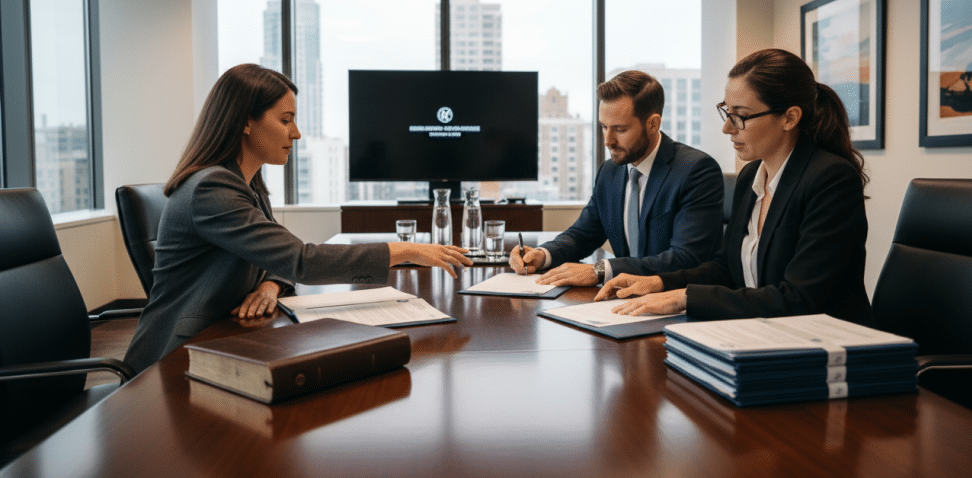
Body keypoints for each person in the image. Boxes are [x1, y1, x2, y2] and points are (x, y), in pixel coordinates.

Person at [123, 64, 471, 371]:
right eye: (285, 120)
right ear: (245, 121)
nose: (297, 133)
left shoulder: (247, 183)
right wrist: (404, 251)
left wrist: (271, 284)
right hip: (173, 359)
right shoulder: (211, 188)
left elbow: (273, 254)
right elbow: (299, 260)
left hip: (224, 337)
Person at [595, 49, 874, 325]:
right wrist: (658, 282)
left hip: (825, 347)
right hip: (761, 333)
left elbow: (800, 298)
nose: (727, 128)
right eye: (727, 112)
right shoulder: (751, 176)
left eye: (740, 115)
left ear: (790, 117)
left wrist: (685, 297)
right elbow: (726, 268)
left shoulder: (831, 179)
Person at [510, 70, 724, 287]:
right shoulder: (609, 172)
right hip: (624, 300)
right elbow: (582, 235)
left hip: (676, 302)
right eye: (604, 127)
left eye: (620, 129)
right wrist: (542, 254)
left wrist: (601, 270)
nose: (608, 141)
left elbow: (685, 258)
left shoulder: (696, 171)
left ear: (653, 124)